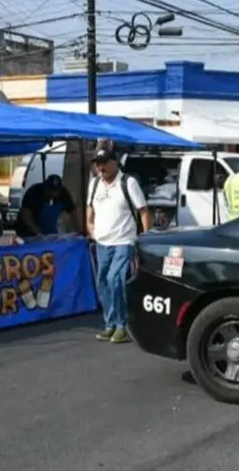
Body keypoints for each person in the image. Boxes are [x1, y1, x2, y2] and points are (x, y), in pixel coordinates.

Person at [87, 142, 151, 343]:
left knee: (116, 279)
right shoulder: (95, 183)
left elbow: (143, 211)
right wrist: (91, 230)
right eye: (98, 163)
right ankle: (110, 323)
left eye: (104, 163)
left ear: (115, 162)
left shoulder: (128, 182)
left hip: (124, 240)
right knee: (102, 282)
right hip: (102, 241)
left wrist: (145, 238)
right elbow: (90, 210)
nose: (101, 167)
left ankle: (122, 324)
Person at [17, 174, 79, 238]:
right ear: (45, 187)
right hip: (29, 235)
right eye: (50, 190)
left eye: (55, 191)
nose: (52, 193)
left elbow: (73, 212)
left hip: (51, 235)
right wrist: (37, 232)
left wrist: (78, 230)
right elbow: (25, 215)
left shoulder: (64, 194)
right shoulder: (34, 192)